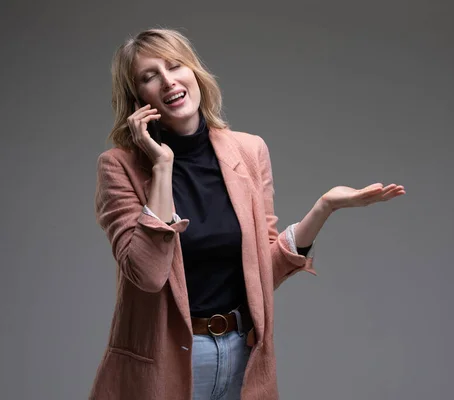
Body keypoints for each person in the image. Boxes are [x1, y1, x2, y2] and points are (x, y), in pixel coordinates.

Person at [90, 28, 405, 400]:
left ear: (194, 73)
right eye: (149, 76)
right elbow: (147, 275)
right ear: (137, 99)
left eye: (175, 66)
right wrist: (161, 168)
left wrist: (325, 207)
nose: (168, 81)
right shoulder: (119, 167)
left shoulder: (249, 150)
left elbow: (260, 272)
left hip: (243, 353)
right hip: (168, 361)